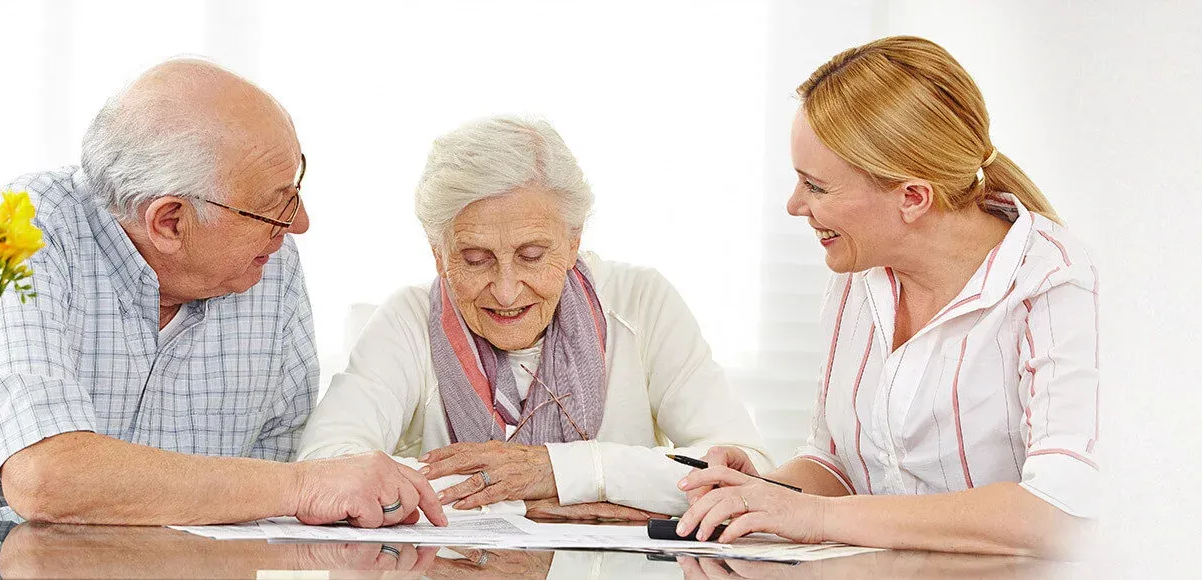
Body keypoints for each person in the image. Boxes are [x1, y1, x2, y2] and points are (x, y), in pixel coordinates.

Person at [0, 59, 445, 531]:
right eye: (275, 207)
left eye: (295, 190)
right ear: (170, 221)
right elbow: (45, 477)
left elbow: (271, 486)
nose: (300, 224)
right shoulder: (14, 232)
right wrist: (303, 485)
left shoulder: (267, 262)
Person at [675, 36, 1098, 557]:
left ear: (913, 197)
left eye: (817, 186)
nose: (794, 205)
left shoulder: (1056, 286)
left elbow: (1058, 510)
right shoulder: (859, 272)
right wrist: (765, 495)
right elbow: (836, 464)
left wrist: (816, 516)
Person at [297, 114, 774, 518]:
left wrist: (557, 470)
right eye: (476, 258)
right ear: (437, 252)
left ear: (573, 241)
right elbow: (325, 467)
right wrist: (593, 492)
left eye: (530, 255)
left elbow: (746, 471)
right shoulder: (407, 318)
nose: (506, 291)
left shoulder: (642, 303)